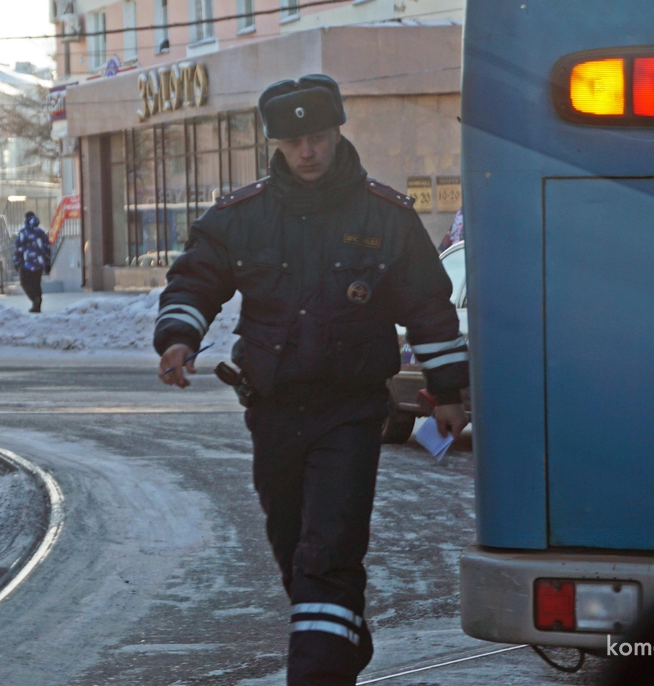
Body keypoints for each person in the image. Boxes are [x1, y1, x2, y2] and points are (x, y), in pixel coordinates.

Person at [155, 75, 468, 686]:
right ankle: (339, 631)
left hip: (351, 412)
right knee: (293, 544)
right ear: (277, 143)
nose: (308, 151)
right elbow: (195, 281)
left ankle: (318, 673)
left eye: (318, 137)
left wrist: (448, 393)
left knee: (328, 548)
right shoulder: (241, 217)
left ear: (336, 132)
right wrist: (178, 339)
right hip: (272, 409)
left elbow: (430, 305)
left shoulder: (385, 216)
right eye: (295, 140)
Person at [12, 211, 52, 314]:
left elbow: (19, 249)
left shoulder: (23, 233)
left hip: (27, 264)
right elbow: (47, 249)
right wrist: (47, 263)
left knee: (25, 282)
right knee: (36, 283)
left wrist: (16, 262)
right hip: (39, 264)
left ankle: (34, 299)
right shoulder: (42, 233)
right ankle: (37, 303)